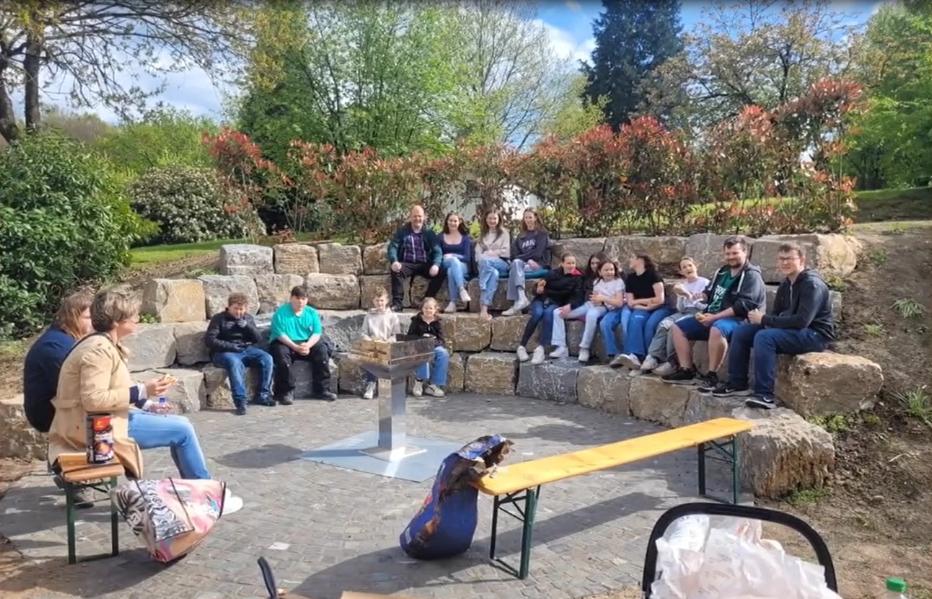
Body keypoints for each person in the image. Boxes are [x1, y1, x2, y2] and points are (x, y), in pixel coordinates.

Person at [47, 290, 242, 511]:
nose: (138, 318)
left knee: (178, 423)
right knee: (182, 430)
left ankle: (201, 492)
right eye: (133, 315)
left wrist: (146, 402)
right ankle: (207, 498)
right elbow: (94, 399)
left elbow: (113, 388)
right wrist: (142, 390)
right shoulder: (98, 351)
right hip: (94, 431)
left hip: (96, 421)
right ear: (117, 321)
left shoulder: (101, 343)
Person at [707, 242, 835, 409]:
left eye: (789, 259)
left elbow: (802, 321)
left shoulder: (812, 284)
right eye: (781, 259)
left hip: (815, 335)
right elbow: (777, 314)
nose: (784, 262)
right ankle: (737, 383)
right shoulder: (786, 283)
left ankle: (764, 394)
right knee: (742, 331)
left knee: (765, 337)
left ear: (802, 260)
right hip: (793, 330)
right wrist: (762, 320)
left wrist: (764, 319)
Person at [662, 236, 766, 389]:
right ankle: (686, 370)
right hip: (712, 315)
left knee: (717, 329)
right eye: (728, 253)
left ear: (745, 252)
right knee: (678, 327)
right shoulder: (722, 271)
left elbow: (744, 306)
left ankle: (712, 375)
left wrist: (715, 317)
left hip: (739, 319)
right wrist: (702, 296)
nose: (730, 257)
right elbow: (710, 292)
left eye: (735, 253)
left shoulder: (751, 275)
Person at [23, 290, 94, 433]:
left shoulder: (64, 339)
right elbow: (74, 386)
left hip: (65, 408)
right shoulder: (55, 346)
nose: (94, 322)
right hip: (49, 415)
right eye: (88, 317)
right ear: (73, 317)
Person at [204, 293, 273, 416]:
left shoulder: (248, 318)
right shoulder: (219, 319)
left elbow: (258, 338)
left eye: (241, 309)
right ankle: (240, 401)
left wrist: (248, 327)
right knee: (235, 363)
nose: (238, 312)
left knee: (267, 358)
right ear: (229, 307)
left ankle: (263, 394)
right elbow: (210, 340)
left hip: (245, 349)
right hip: (224, 352)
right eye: (235, 308)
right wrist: (230, 346)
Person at [641, 257, 710, 376]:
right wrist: (682, 296)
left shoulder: (705, 283)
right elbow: (681, 308)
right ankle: (653, 356)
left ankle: (672, 362)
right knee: (664, 324)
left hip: (698, 312)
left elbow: (705, 306)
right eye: (684, 267)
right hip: (684, 312)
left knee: (674, 327)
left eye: (690, 265)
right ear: (681, 272)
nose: (688, 268)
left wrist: (689, 296)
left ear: (695, 266)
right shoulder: (682, 285)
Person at [269, 286, 338, 404]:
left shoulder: (312, 313)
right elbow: (280, 334)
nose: (300, 302)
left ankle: (322, 390)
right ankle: (286, 392)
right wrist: (295, 347)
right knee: (281, 355)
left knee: (322, 351)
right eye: (297, 298)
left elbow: (317, 333)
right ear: (291, 298)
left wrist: (308, 345)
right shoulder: (280, 313)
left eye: (303, 299)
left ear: (307, 300)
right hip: (286, 342)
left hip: (307, 342)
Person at [550, 255, 624, 363]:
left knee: (591, 314)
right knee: (557, 312)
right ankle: (561, 346)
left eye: (611, 269)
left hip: (604, 307)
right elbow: (595, 298)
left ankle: (584, 347)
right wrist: (595, 300)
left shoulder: (618, 282)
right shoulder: (596, 282)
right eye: (606, 270)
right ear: (600, 272)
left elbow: (616, 302)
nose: (609, 272)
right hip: (591, 304)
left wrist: (602, 299)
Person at [516, 252, 585, 365]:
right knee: (537, 314)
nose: (571, 266)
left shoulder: (578, 278)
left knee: (548, 314)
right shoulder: (553, 273)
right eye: (568, 263)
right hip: (541, 299)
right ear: (562, 263)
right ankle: (522, 346)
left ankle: (541, 349)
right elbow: (538, 286)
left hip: (556, 302)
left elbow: (578, 295)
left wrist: (570, 305)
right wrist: (538, 289)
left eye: (573, 263)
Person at [610, 255, 674, 370]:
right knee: (635, 321)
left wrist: (644, 303)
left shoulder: (654, 275)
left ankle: (651, 358)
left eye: (632, 258)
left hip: (660, 308)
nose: (629, 260)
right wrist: (646, 304)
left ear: (640, 260)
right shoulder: (631, 278)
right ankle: (635, 356)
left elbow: (660, 300)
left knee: (650, 325)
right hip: (642, 308)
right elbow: (630, 302)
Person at [387, 204, 443, 312]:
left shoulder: (429, 233)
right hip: (407, 263)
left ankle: (427, 302)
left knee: (441, 272)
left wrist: (436, 264)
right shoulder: (402, 231)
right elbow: (393, 247)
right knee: (396, 271)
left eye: (420, 216)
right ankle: (397, 304)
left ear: (424, 217)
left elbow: (438, 251)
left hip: (424, 264)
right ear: (410, 217)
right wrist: (394, 261)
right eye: (415, 216)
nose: (417, 219)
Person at [502, 208, 551, 316]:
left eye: (530, 217)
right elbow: (514, 255)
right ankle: (521, 297)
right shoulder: (521, 236)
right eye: (526, 217)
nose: (528, 220)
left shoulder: (542, 234)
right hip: (523, 265)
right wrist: (525, 259)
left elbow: (538, 253)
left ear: (535, 218)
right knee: (515, 264)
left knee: (514, 267)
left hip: (538, 265)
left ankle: (517, 302)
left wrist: (524, 259)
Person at [359, 288, 401, 400]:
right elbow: (363, 333)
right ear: (373, 301)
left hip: (387, 344)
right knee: (372, 355)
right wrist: (371, 341)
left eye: (382, 300)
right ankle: (371, 384)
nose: (379, 303)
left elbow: (396, 335)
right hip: (373, 344)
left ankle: (385, 385)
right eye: (377, 300)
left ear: (386, 301)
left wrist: (387, 342)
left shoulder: (392, 316)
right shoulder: (369, 316)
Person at [407, 298, 448, 397]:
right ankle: (419, 382)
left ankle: (434, 385)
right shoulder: (416, 320)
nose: (428, 310)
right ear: (422, 308)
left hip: (434, 345)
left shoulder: (438, 322)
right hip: (419, 346)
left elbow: (442, 340)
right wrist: (422, 339)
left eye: (430, 308)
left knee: (443, 353)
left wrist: (432, 342)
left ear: (435, 310)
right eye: (426, 308)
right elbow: (409, 337)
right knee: (424, 352)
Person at [475, 210, 511, 321]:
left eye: (494, 218)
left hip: (501, 264)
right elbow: (477, 253)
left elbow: (506, 252)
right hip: (487, 267)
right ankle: (484, 310)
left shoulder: (504, 233)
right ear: (486, 220)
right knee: (493, 273)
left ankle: (482, 283)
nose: (492, 221)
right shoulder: (483, 234)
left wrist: (492, 253)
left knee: (485, 261)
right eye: (490, 218)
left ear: (499, 219)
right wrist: (484, 257)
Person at [438, 212, 474, 313]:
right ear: (447, 222)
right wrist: (449, 258)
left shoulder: (465, 237)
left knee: (451, 271)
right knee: (451, 265)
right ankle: (462, 289)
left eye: (455, 221)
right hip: (445, 263)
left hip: (462, 265)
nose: (453, 223)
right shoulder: (440, 236)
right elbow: (438, 254)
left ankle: (453, 303)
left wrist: (453, 255)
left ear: (459, 222)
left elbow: (467, 258)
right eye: (450, 220)